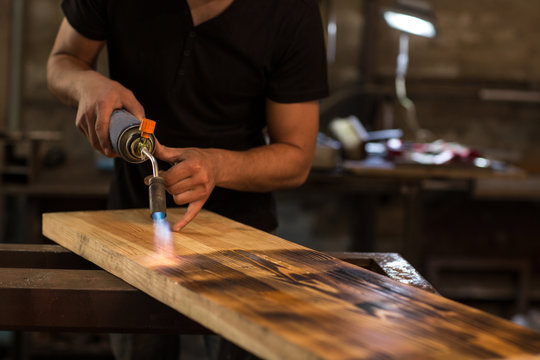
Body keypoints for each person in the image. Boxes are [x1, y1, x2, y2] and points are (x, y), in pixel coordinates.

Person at [47, 0, 328, 358]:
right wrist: (85, 82)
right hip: (130, 230)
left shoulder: (290, 10)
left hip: (239, 243)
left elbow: (296, 157)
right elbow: (61, 61)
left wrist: (217, 166)